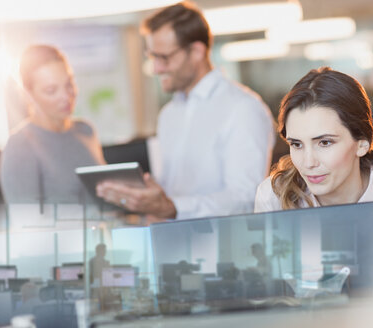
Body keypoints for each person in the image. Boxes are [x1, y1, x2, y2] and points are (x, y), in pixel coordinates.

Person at [96, 1, 275, 220]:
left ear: (197, 51)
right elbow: (171, 189)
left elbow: (246, 198)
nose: (156, 68)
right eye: (152, 56)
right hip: (171, 243)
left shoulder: (243, 108)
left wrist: (173, 207)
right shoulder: (169, 114)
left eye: (164, 57)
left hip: (222, 247)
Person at [254, 67, 373, 212]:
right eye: (297, 144)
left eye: (324, 142)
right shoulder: (274, 197)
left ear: (361, 143)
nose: (308, 163)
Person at [0, 45, 106, 204]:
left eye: (69, 84)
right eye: (51, 90)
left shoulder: (86, 131)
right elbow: (26, 223)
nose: (66, 96)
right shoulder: (19, 146)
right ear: (28, 95)